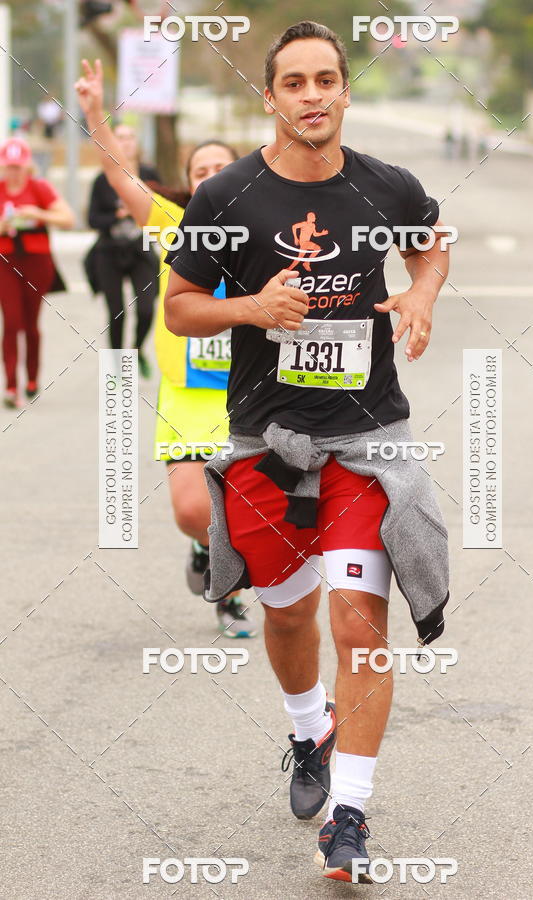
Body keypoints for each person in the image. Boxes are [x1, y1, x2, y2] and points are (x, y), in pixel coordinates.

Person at [164, 20, 451, 883]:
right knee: (287, 612)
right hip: (265, 442)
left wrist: (420, 295)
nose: (314, 94)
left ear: (345, 91)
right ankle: (307, 729)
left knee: (358, 621)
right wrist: (250, 309)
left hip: (365, 442)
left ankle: (351, 818)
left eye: (328, 79)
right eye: (296, 82)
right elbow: (180, 306)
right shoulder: (228, 199)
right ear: (272, 97)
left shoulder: (387, 186)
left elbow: (434, 241)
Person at [75, 58, 256, 639]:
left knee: (252, 509)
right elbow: (122, 177)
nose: (208, 175)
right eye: (199, 169)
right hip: (190, 395)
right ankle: (207, 551)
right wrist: (96, 115)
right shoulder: (174, 226)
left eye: (220, 167)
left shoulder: (269, 229)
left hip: (255, 394)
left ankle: (231, 595)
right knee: (190, 510)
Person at [0, 137, 74, 407]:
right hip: (6, 261)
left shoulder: (39, 188)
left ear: (27, 166)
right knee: (11, 321)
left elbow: (67, 219)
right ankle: (10, 386)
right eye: (9, 166)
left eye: (18, 166)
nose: (13, 172)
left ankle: (32, 378)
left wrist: (37, 214)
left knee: (31, 323)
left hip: (36, 261)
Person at [87, 121, 159, 377]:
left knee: (147, 308)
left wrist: (142, 210)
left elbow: (164, 209)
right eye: (120, 138)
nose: (125, 142)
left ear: (137, 144)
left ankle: (138, 349)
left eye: (130, 137)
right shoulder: (102, 180)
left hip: (140, 248)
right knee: (116, 311)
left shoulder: (149, 174)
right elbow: (93, 220)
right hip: (109, 250)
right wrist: (118, 214)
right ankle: (116, 369)